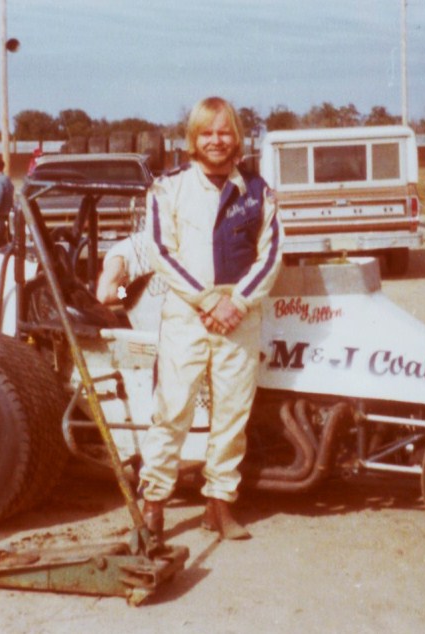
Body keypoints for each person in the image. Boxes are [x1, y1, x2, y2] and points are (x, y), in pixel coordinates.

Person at [139, 96, 284, 542]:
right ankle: (153, 505)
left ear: (237, 137)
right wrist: (206, 301)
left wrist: (235, 303)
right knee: (172, 410)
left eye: (224, 132)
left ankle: (218, 506)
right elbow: (160, 251)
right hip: (188, 314)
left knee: (232, 415)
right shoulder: (168, 188)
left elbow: (272, 254)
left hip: (239, 315)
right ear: (193, 139)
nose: (216, 140)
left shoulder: (258, 191)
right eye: (207, 133)